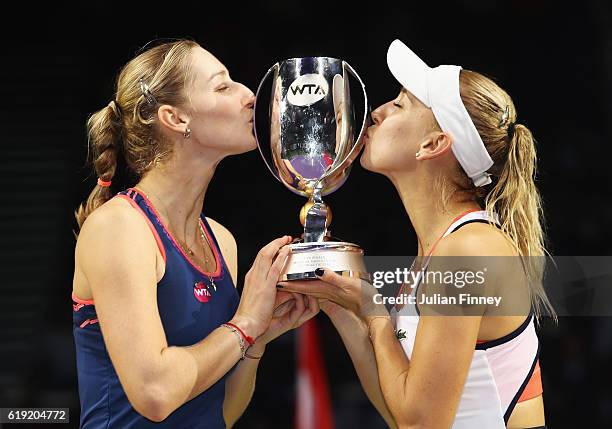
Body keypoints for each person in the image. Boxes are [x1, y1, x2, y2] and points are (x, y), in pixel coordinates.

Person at [283, 40, 555, 429]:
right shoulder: (440, 249)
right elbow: (399, 409)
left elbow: (420, 423)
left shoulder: (469, 249)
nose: (377, 112)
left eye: (399, 105)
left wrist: (375, 315)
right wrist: (344, 309)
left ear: (433, 144)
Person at [72, 39, 318, 428]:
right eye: (222, 86)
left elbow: (222, 412)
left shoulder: (222, 240)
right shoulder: (119, 228)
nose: (248, 96)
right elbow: (155, 394)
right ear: (175, 118)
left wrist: (259, 339)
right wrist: (245, 325)